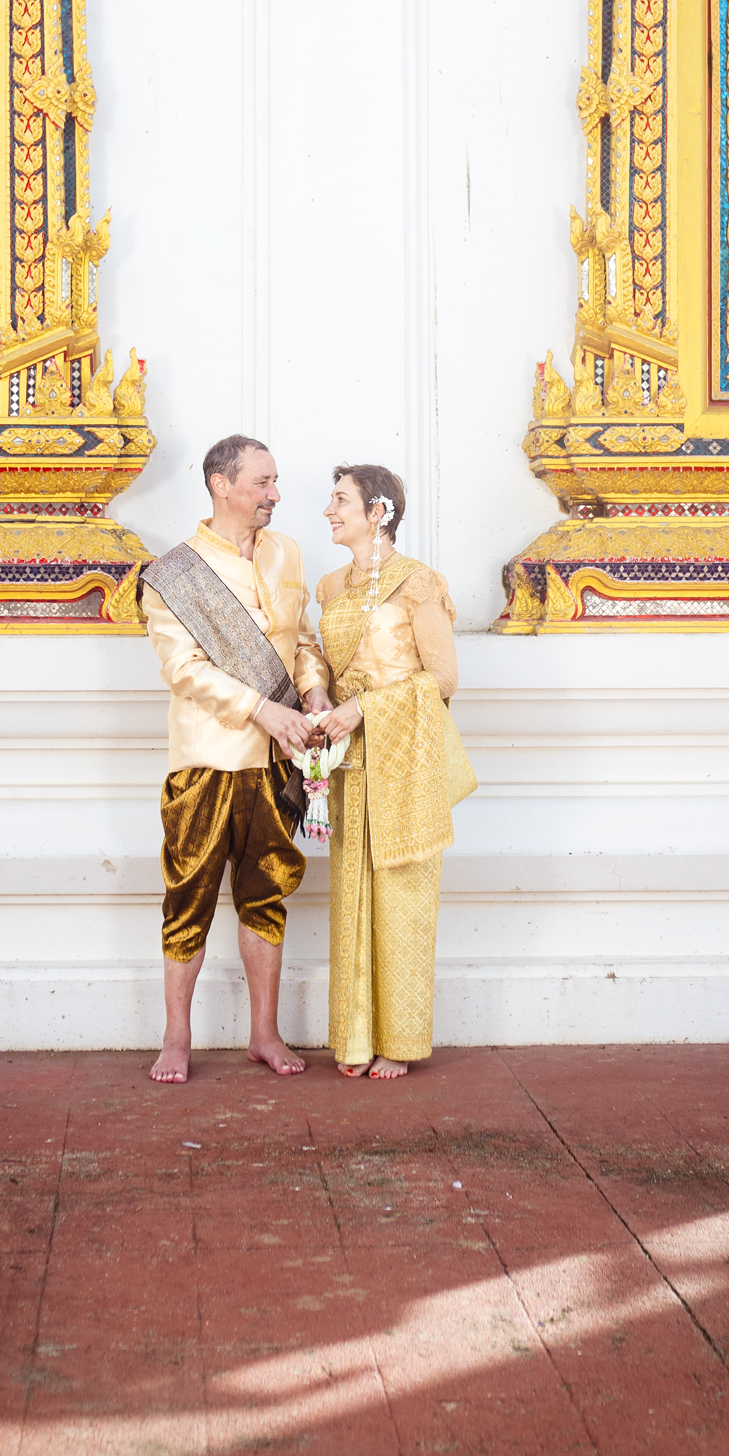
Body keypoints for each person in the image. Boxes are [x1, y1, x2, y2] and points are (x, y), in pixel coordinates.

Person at [140, 435, 324, 1085]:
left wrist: (314, 696)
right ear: (222, 485)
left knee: (265, 896)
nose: (275, 495)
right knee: (188, 898)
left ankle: (264, 1035)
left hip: (277, 764)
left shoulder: (287, 554)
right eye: (262, 482)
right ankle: (176, 1038)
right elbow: (183, 670)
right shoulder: (174, 574)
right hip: (206, 763)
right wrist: (264, 711)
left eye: (275, 483)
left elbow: (303, 642)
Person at [305, 463, 464, 1080]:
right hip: (347, 763)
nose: (328, 510)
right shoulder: (328, 585)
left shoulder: (419, 584)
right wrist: (317, 692)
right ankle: (354, 1039)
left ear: (379, 512)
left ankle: (399, 1042)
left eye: (339, 499)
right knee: (350, 898)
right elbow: (315, 655)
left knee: (400, 897)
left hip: (402, 758)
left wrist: (364, 707)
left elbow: (443, 678)